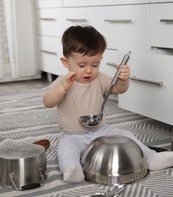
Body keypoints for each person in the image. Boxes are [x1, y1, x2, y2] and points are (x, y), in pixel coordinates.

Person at [43, 25, 173, 183]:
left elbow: (118, 89)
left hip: (101, 130)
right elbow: (48, 101)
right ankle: (73, 169)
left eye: (95, 65)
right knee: (66, 151)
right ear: (65, 62)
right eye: (82, 66)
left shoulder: (99, 79)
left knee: (128, 136)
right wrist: (62, 88)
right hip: (72, 135)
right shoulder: (63, 82)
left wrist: (123, 80)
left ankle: (151, 157)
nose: (89, 71)